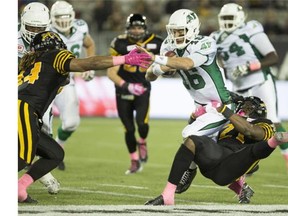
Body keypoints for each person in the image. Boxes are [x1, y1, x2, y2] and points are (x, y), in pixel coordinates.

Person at [18, 30, 151, 203]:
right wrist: (123, 59)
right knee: (23, 157)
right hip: (23, 108)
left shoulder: (30, 62)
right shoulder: (56, 55)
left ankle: (20, 188)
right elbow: (87, 63)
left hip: (23, 109)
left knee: (54, 154)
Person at [144, 9, 232, 188]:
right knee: (210, 156)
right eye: (173, 31)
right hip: (200, 108)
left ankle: (189, 172)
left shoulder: (205, 43)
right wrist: (158, 68)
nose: (175, 35)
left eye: (180, 31)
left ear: (192, 29)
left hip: (220, 107)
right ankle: (241, 187)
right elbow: (149, 76)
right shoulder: (169, 45)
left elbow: (187, 63)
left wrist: (157, 59)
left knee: (190, 136)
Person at [145, 96, 288, 205]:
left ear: (257, 111)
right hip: (216, 160)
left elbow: (249, 131)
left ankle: (275, 141)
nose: (243, 108)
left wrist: (224, 110)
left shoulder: (265, 124)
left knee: (254, 150)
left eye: (248, 107)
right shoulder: (227, 121)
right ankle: (168, 194)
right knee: (192, 140)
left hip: (237, 161)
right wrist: (194, 117)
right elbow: (198, 131)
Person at [210, 3, 288, 171]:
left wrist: (247, 67)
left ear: (239, 18)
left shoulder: (251, 30)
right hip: (238, 87)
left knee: (273, 121)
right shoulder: (216, 37)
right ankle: (246, 161)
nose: (227, 22)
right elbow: (218, 61)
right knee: (238, 125)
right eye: (224, 18)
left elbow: (273, 57)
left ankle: (287, 156)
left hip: (261, 82)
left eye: (230, 18)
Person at [107, 13, 163, 174]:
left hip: (143, 89)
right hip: (123, 90)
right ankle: (134, 160)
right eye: (133, 27)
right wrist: (127, 86)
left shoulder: (157, 42)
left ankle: (143, 142)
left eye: (139, 27)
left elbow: (167, 61)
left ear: (145, 28)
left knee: (142, 124)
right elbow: (111, 72)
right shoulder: (119, 42)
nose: (137, 31)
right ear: (128, 28)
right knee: (129, 129)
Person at [18, 1, 61, 195]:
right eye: (32, 27)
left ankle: (29, 178)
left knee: (43, 134)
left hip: (38, 96)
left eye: (40, 28)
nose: (35, 32)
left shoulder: (53, 41)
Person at [50, 0, 96, 171]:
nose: (62, 20)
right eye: (58, 17)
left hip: (65, 82)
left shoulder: (81, 27)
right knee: (40, 125)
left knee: (71, 123)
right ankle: (36, 157)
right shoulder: (45, 31)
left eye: (65, 16)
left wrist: (89, 66)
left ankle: (56, 148)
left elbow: (89, 44)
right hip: (43, 82)